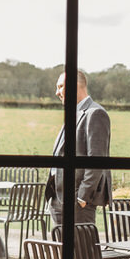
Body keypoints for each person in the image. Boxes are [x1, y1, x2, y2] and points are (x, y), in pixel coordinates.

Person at [46, 69, 112, 226]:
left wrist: (82, 198)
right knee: (61, 250)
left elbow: (96, 161)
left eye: (61, 86)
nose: (57, 92)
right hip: (58, 198)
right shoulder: (73, 113)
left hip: (78, 202)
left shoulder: (95, 113)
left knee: (84, 250)